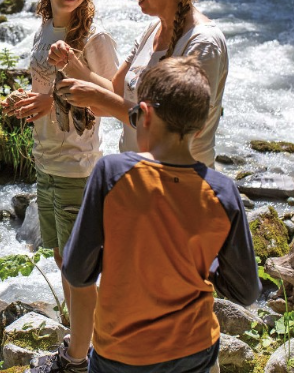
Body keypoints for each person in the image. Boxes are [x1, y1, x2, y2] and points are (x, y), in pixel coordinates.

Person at [41, 55, 260, 373]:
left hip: (121, 351)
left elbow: (77, 272)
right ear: (200, 129)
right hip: (195, 350)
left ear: (142, 115)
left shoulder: (112, 174)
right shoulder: (223, 192)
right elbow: (246, 291)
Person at [2, 0, 119, 321]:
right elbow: (44, 91)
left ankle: (91, 348)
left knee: (77, 263)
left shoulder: (94, 37)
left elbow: (113, 99)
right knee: (59, 254)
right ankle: (79, 328)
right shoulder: (45, 28)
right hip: (47, 160)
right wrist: (25, 100)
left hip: (78, 164)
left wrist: (52, 100)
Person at [48, 0, 228, 168]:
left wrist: (99, 97)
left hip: (178, 186)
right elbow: (116, 91)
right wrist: (71, 63)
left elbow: (178, 131)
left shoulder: (203, 43)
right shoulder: (152, 31)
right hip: (138, 177)